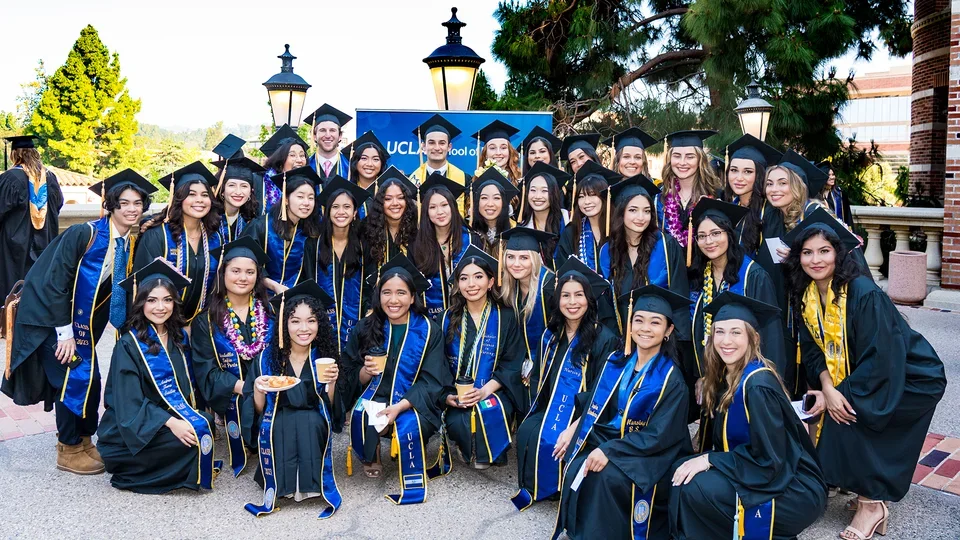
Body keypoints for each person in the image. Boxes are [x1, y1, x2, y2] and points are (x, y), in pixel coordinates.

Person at [784, 213, 946, 540]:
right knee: (841, 406)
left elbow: (880, 358)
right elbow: (813, 352)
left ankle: (871, 504)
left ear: (838, 253)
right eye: (807, 252)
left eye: (824, 251)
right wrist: (828, 387)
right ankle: (865, 492)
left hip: (910, 376)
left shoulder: (862, 292)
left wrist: (839, 395)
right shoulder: (807, 295)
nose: (816, 260)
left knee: (853, 415)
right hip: (868, 375)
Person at [2, 170, 155, 475]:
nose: (131, 209)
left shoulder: (126, 242)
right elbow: (54, 282)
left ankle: (84, 441)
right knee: (71, 378)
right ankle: (68, 448)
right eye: (124, 203)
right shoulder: (84, 234)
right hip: (50, 320)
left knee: (90, 380)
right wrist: (64, 333)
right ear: (110, 205)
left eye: (137, 203)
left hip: (78, 326)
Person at [669, 292, 827, 539]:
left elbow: (770, 460)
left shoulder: (757, 385)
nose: (726, 341)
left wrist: (710, 460)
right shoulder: (728, 377)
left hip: (793, 489)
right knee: (680, 472)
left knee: (696, 487)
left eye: (736, 332)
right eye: (719, 332)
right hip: (760, 472)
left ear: (753, 338)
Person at [555, 285, 693, 540]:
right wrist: (574, 428)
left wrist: (609, 451)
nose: (645, 328)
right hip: (616, 441)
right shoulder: (617, 362)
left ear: (668, 330)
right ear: (629, 325)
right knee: (579, 460)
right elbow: (597, 404)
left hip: (653, 455)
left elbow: (659, 436)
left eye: (655, 322)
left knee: (605, 475)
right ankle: (580, 531)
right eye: (638, 320)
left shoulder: (672, 380)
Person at [97, 258, 216, 493]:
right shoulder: (128, 345)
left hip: (163, 419)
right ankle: (132, 474)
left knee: (204, 424)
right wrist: (171, 423)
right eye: (152, 300)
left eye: (167, 300)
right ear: (141, 303)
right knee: (187, 438)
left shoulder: (179, 338)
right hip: (129, 432)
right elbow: (129, 403)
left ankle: (180, 468)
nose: (160, 307)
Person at [341, 255, 451, 504]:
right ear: (378, 296)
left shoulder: (429, 330)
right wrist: (366, 372)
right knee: (364, 412)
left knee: (411, 422)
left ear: (412, 297)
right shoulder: (365, 327)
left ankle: (406, 441)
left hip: (413, 400)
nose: (393, 300)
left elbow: (433, 380)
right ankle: (372, 451)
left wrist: (400, 406)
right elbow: (349, 372)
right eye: (387, 292)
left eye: (401, 293)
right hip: (376, 395)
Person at [512, 256, 620, 511]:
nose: (572, 302)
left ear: (589, 299)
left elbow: (602, 392)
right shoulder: (551, 335)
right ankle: (543, 485)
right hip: (554, 405)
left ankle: (558, 484)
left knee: (555, 436)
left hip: (588, 415)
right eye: (566, 296)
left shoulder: (605, 339)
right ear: (557, 300)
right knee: (528, 430)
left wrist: (574, 427)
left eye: (579, 295)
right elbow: (541, 380)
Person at [242, 280, 343, 518]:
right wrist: (258, 389)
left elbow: (331, 409)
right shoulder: (267, 359)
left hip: (314, 419)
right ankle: (281, 484)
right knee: (283, 423)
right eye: (295, 321)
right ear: (283, 323)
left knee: (309, 421)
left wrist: (332, 383)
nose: (303, 328)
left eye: (311, 320)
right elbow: (257, 411)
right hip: (277, 419)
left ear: (320, 323)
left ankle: (311, 484)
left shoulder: (325, 357)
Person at [433, 247, 524, 472]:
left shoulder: (506, 317)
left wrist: (484, 391)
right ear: (457, 284)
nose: (471, 284)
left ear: (491, 282)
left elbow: (511, 362)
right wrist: (448, 396)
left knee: (493, 409)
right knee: (459, 420)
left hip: (494, 388)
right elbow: (437, 364)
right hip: (457, 392)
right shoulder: (445, 319)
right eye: (464, 278)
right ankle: (466, 444)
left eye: (478, 277)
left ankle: (481, 448)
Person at [190, 236, 273, 477]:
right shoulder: (205, 321)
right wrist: (247, 387)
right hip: (234, 392)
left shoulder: (271, 312)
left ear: (257, 277)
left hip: (269, 387)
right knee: (243, 404)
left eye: (250, 272)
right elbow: (206, 370)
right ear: (223, 274)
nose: (242, 277)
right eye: (235, 271)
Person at [756, 152, 830, 397]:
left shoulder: (813, 214)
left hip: (818, 311)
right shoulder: (774, 216)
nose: (774, 189)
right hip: (786, 311)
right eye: (769, 183)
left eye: (782, 183)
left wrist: (801, 256)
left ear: (797, 186)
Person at [598, 174, 687, 336]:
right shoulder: (607, 252)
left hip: (660, 340)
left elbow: (679, 295)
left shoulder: (666, 245)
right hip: (621, 339)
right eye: (633, 210)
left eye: (646, 211)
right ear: (621, 213)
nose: (641, 217)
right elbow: (606, 306)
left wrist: (676, 342)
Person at [134, 162, 223, 324]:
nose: (199, 200)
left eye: (205, 195)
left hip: (199, 325)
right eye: (191, 194)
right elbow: (142, 286)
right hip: (160, 324)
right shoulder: (157, 235)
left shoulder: (215, 239)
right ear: (179, 198)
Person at [500, 228, 556, 414]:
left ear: (535, 259)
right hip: (523, 367)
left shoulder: (551, 286)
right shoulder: (510, 289)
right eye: (511, 257)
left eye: (524, 258)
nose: (516, 264)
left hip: (551, 367)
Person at [241, 165, 321, 296]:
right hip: (259, 296)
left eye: (311, 198)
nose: (306, 203)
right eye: (300, 197)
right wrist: (273, 285)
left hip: (292, 298)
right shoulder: (261, 226)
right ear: (286, 199)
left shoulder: (309, 232)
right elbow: (245, 261)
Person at [1, 135, 64, 299]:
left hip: (14, 248)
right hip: (46, 242)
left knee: (13, 289)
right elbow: (58, 205)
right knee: (39, 289)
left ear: (14, 154)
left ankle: (10, 314)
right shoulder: (50, 177)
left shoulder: (10, 178)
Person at [315, 176, 371, 355]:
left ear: (355, 212)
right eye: (335, 207)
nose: (341, 212)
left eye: (347, 207)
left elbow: (370, 286)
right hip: (319, 330)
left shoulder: (364, 245)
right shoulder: (313, 245)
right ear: (328, 211)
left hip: (359, 329)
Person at [410, 172, 477, 319]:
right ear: (426, 212)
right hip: (431, 320)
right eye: (432, 207)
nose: (440, 212)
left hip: (468, 317)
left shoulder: (472, 240)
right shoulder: (416, 245)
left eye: (444, 205)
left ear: (453, 206)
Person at [656, 130, 722, 260]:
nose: (682, 162)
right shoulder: (659, 198)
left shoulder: (716, 196)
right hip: (667, 269)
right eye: (677, 156)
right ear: (670, 159)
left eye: (690, 156)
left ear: (700, 160)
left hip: (705, 268)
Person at [720, 134, 782, 256]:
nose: (739, 178)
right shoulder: (731, 208)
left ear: (760, 176)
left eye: (748, 172)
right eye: (734, 170)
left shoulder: (771, 213)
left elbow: (772, 261)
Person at [555, 161, 619, 272]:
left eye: (592, 195)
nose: (586, 202)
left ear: (605, 197)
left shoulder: (619, 229)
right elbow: (563, 269)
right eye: (581, 196)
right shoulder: (571, 232)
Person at [361, 165, 419, 281]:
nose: (395, 203)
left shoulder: (417, 233)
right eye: (388, 199)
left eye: (400, 197)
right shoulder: (366, 233)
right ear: (380, 203)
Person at [517, 162, 570, 268]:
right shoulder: (524, 227)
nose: (537, 196)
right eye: (533, 190)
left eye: (544, 191)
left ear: (554, 193)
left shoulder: (567, 218)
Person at [410, 114, 471, 192]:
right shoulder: (412, 180)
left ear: (449, 147)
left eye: (442, 143)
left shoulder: (464, 180)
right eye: (431, 143)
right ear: (424, 146)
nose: (437, 148)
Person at [213, 155, 265, 243]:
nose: (238, 192)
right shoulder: (209, 218)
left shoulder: (251, 221)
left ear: (251, 191)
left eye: (244, 186)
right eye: (231, 185)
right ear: (222, 190)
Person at [258, 125, 309, 213]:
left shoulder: (308, 184)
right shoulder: (261, 184)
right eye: (292, 155)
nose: (299, 160)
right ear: (280, 160)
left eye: (302, 155)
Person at [470, 167, 520, 257]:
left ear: (504, 203)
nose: (490, 204)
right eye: (484, 198)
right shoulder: (468, 235)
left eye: (496, 198)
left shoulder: (515, 233)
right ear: (477, 202)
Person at [342, 130, 389, 220]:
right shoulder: (346, 192)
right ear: (355, 162)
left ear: (381, 164)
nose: (369, 164)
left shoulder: (387, 192)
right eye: (364, 158)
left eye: (375, 159)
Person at [304, 103, 352, 184]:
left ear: (340, 135)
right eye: (322, 130)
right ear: (314, 135)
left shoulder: (350, 167)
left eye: (332, 130)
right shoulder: (305, 166)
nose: (327, 135)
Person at [472, 119, 522, 184]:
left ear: (509, 152)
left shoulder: (520, 184)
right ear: (485, 154)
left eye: (503, 148)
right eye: (492, 148)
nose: (498, 153)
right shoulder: (475, 183)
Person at [818, 161, 853, 227]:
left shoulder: (840, 194)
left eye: (833, 174)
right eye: (829, 175)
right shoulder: (816, 195)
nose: (832, 177)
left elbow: (848, 218)